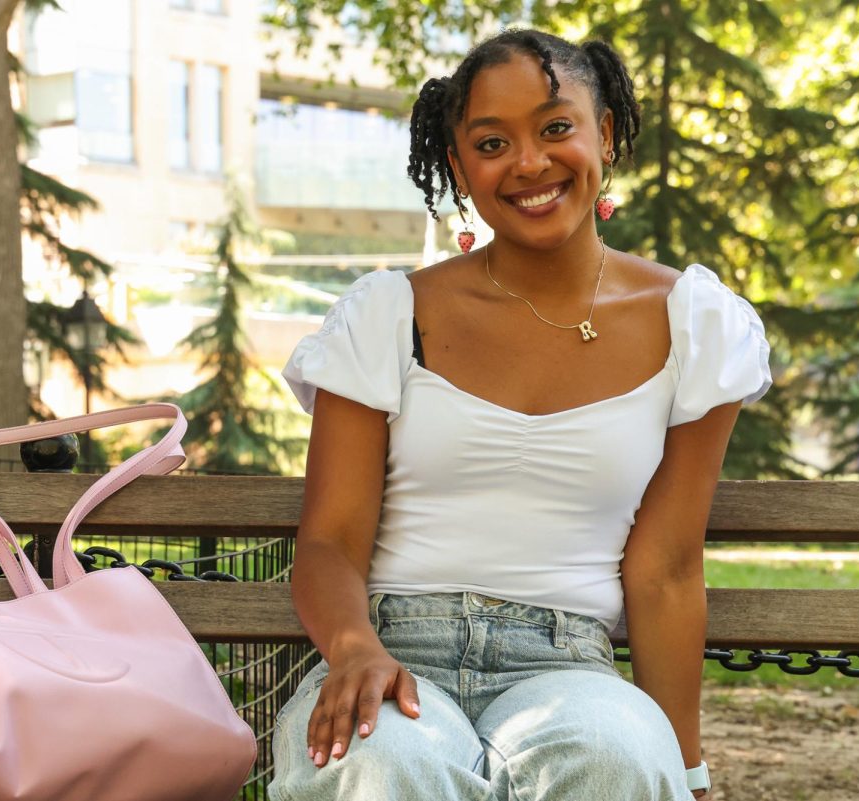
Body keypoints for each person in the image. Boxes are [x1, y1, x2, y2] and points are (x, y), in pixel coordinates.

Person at [270, 28, 772, 801]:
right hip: (394, 648)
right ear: (459, 168)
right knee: (381, 763)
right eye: (492, 142)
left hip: (570, 665)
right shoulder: (388, 315)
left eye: (556, 128)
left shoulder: (695, 324)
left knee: (614, 761)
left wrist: (689, 769)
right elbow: (330, 540)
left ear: (604, 133)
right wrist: (353, 648)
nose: (530, 162)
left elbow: (666, 568)